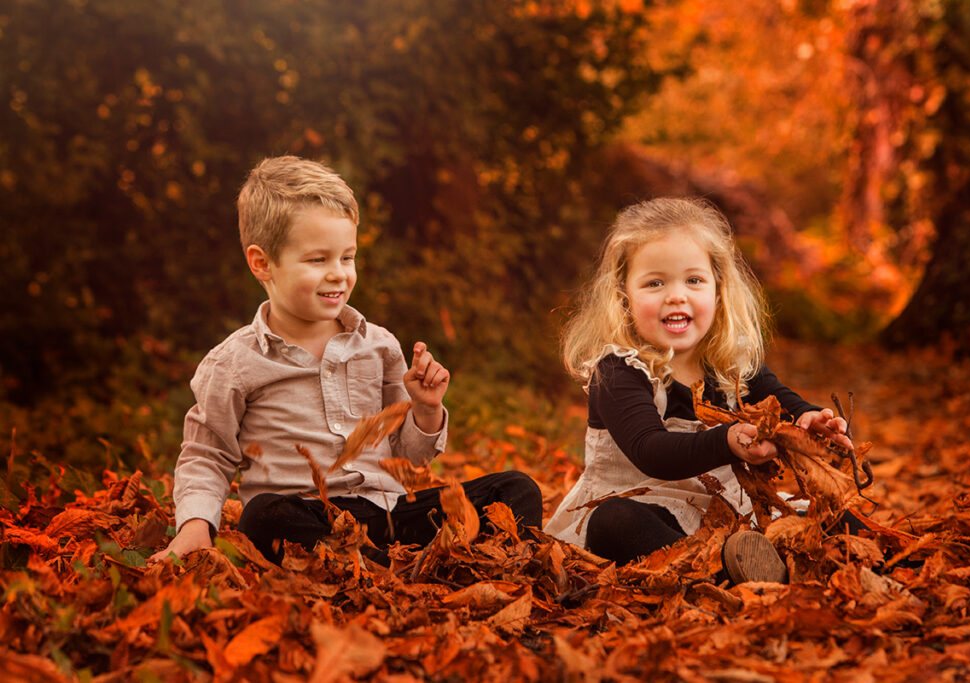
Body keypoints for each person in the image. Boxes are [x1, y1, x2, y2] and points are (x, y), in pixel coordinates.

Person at [151, 155, 542, 565]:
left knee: (516, 489)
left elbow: (406, 458)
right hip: (308, 517)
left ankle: (446, 560)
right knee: (263, 517)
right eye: (318, 260)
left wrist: (426, 411)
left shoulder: (380, 346)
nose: (339, 274)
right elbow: (207, 453)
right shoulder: (235, 362)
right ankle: (380, 565)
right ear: (262, 263)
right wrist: (196, 525)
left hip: (390, 515)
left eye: (347, 257)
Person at [544, 197, 853, 584]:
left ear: (718, 289)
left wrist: (809, 418)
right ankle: (723, 575)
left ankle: (859, 565)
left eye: (693, 280)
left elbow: (780, 399)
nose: (676, 295)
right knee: (614, 522)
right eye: (655, 283)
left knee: (833, 514)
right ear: (623, 295)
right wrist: (726, 441)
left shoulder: (730, 363)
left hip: (723, 511)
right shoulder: (619, 371)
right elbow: (651, 452)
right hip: (645, 505)